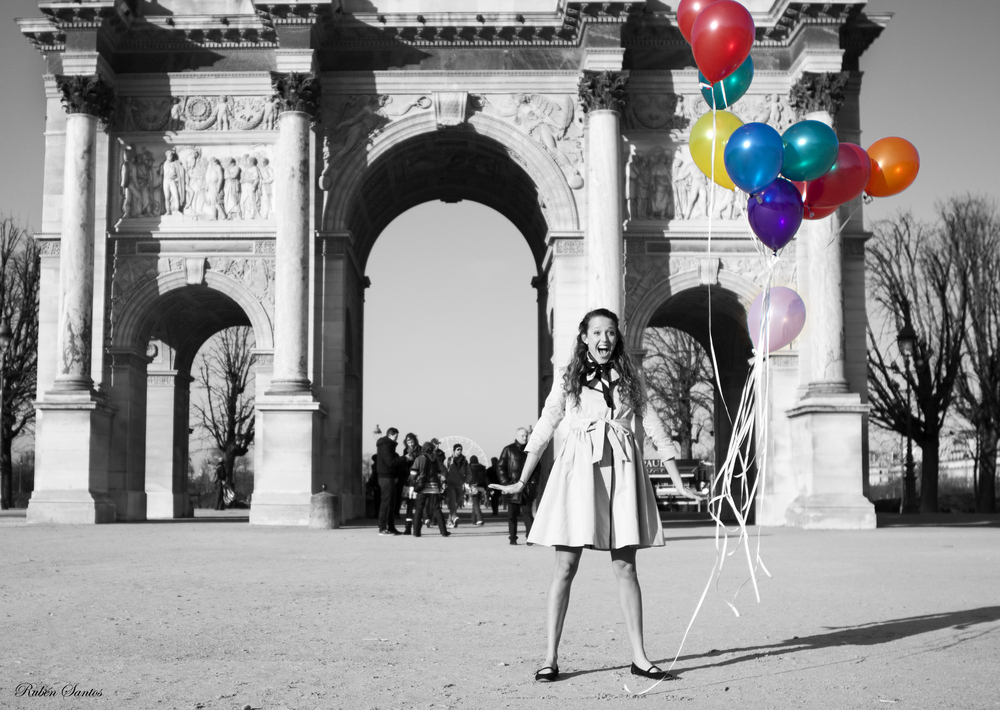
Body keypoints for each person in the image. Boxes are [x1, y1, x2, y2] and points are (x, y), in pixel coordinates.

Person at [490, 307, 703, 683]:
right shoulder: (568, 377)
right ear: (585, 337)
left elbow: (654, 426)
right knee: (566, 567)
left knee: (626, 567)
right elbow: (544, 426)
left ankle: (639, 657)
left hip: (621, 469)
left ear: (617, 338)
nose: (604, 339)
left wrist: (678, 479)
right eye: (597, 332)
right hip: (577, 470)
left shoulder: (632, 377)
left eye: (610, 332)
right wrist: (522, 479)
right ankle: (550, 657)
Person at [497, 428, 535, 545]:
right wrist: (506, 483)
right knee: (512, 514)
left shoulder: (531, 451)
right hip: (512, 487)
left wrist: (534, 482)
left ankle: (530, 537)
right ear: (517, 436)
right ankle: (512, 538)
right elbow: (500, 467)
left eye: (526, 435)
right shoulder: (508, 450)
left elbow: (537, 467)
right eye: (523, 436)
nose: (525, 438)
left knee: (527, 513)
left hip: (526, 487)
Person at [411, 442, 450, 537]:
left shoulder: (419, 459)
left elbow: (413, 473)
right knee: (437, 508)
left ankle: (416, 532)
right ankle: (443, 532)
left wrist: (414, 482)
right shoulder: (435, 459)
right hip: (434, 487)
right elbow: (439, 472)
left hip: (422, 487)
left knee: (419, 509)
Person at [375, 427, 402, 536]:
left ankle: (390, 527)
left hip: (388, 477)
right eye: (396, 437)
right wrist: (404, 458)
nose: (396, 439)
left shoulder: (386, 444)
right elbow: (390, 462)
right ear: (390, 435)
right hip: (386, 477)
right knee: (386, 503)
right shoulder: (386, 445)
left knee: (391, 503)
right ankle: (382, 528)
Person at [399, 433, 421, 535]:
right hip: (408, 481)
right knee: (409, 503)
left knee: (417, 504)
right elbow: (404, 466)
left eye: (412, 442)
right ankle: (407, 528)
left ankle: (417, 528)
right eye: (408, 442)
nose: (410, 444)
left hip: (417, 480)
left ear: (415, 441)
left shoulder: (420, 450)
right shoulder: (405, 451)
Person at [445, 443, 469, 528]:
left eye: (461, 449)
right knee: (453, 502)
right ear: (454, 450)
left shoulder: (464, 461)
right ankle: (454, 517)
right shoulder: (449, 460)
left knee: (456, 503)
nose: (459, 451)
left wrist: (466, 482)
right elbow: (445, 471)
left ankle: (449, 520)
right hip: (451, 484)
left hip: (460, 485)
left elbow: (468, 473)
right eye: (458, 449)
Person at [467, 455, 487, 526]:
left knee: (475, 503)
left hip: (473, 486)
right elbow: (485, 478)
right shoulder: (482, 468)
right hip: (481, 486)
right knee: (476, 503)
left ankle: (480, 519)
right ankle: (473, 519)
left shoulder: (470, 468)